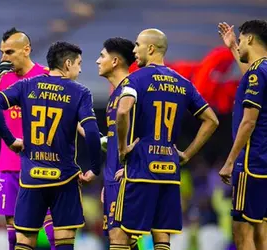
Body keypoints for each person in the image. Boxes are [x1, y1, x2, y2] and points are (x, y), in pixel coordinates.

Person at [0, 41, 102, 250]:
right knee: (63, 242)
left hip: (31, 178)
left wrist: (11, 140)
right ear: (67, 64)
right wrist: (94, 168)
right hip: (64, 179)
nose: (80, 69)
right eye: (79, 63)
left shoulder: (27, 85)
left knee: (24, 242)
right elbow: (92, 132)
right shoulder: (80, 92)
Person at [111, 29, 219, 250]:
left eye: (138, 44)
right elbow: (212, 120)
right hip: (169, 171)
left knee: (121, 236)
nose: (134, 50)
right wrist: (187, 154)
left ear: (150, 48)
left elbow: (122, 111)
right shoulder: (183, 83)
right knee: (162, 239)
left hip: (140, 169)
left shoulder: (135, 79)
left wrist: (122, 149)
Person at [0, 28, 55, 250]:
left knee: (53, 228)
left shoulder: (47, 76)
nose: (3, 58)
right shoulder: (2, 80)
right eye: (2, 52)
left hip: (41, 162)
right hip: (9, 163)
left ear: (26, 50)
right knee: (13, 231)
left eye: (9, 52)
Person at [218, 20, 267, 250]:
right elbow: (251, 76)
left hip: (251, 163)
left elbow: (248, 122)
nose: (237, 45)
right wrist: (230, 48)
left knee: (242, 230)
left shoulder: (257, 73)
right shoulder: (262, 71)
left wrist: (230, 161)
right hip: (264, 163)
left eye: (239, 41)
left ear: (249, 38)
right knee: (262, 232)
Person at [95, 37, 138, 250]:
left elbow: (145, 135)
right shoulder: (116, 94)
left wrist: (131, 169)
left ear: (114, 61)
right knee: (123, 241)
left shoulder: (131, 91)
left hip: (126, 178)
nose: (97, 61)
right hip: (113, 178)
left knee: (119, 239)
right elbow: (113, 141)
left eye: (101, 56)